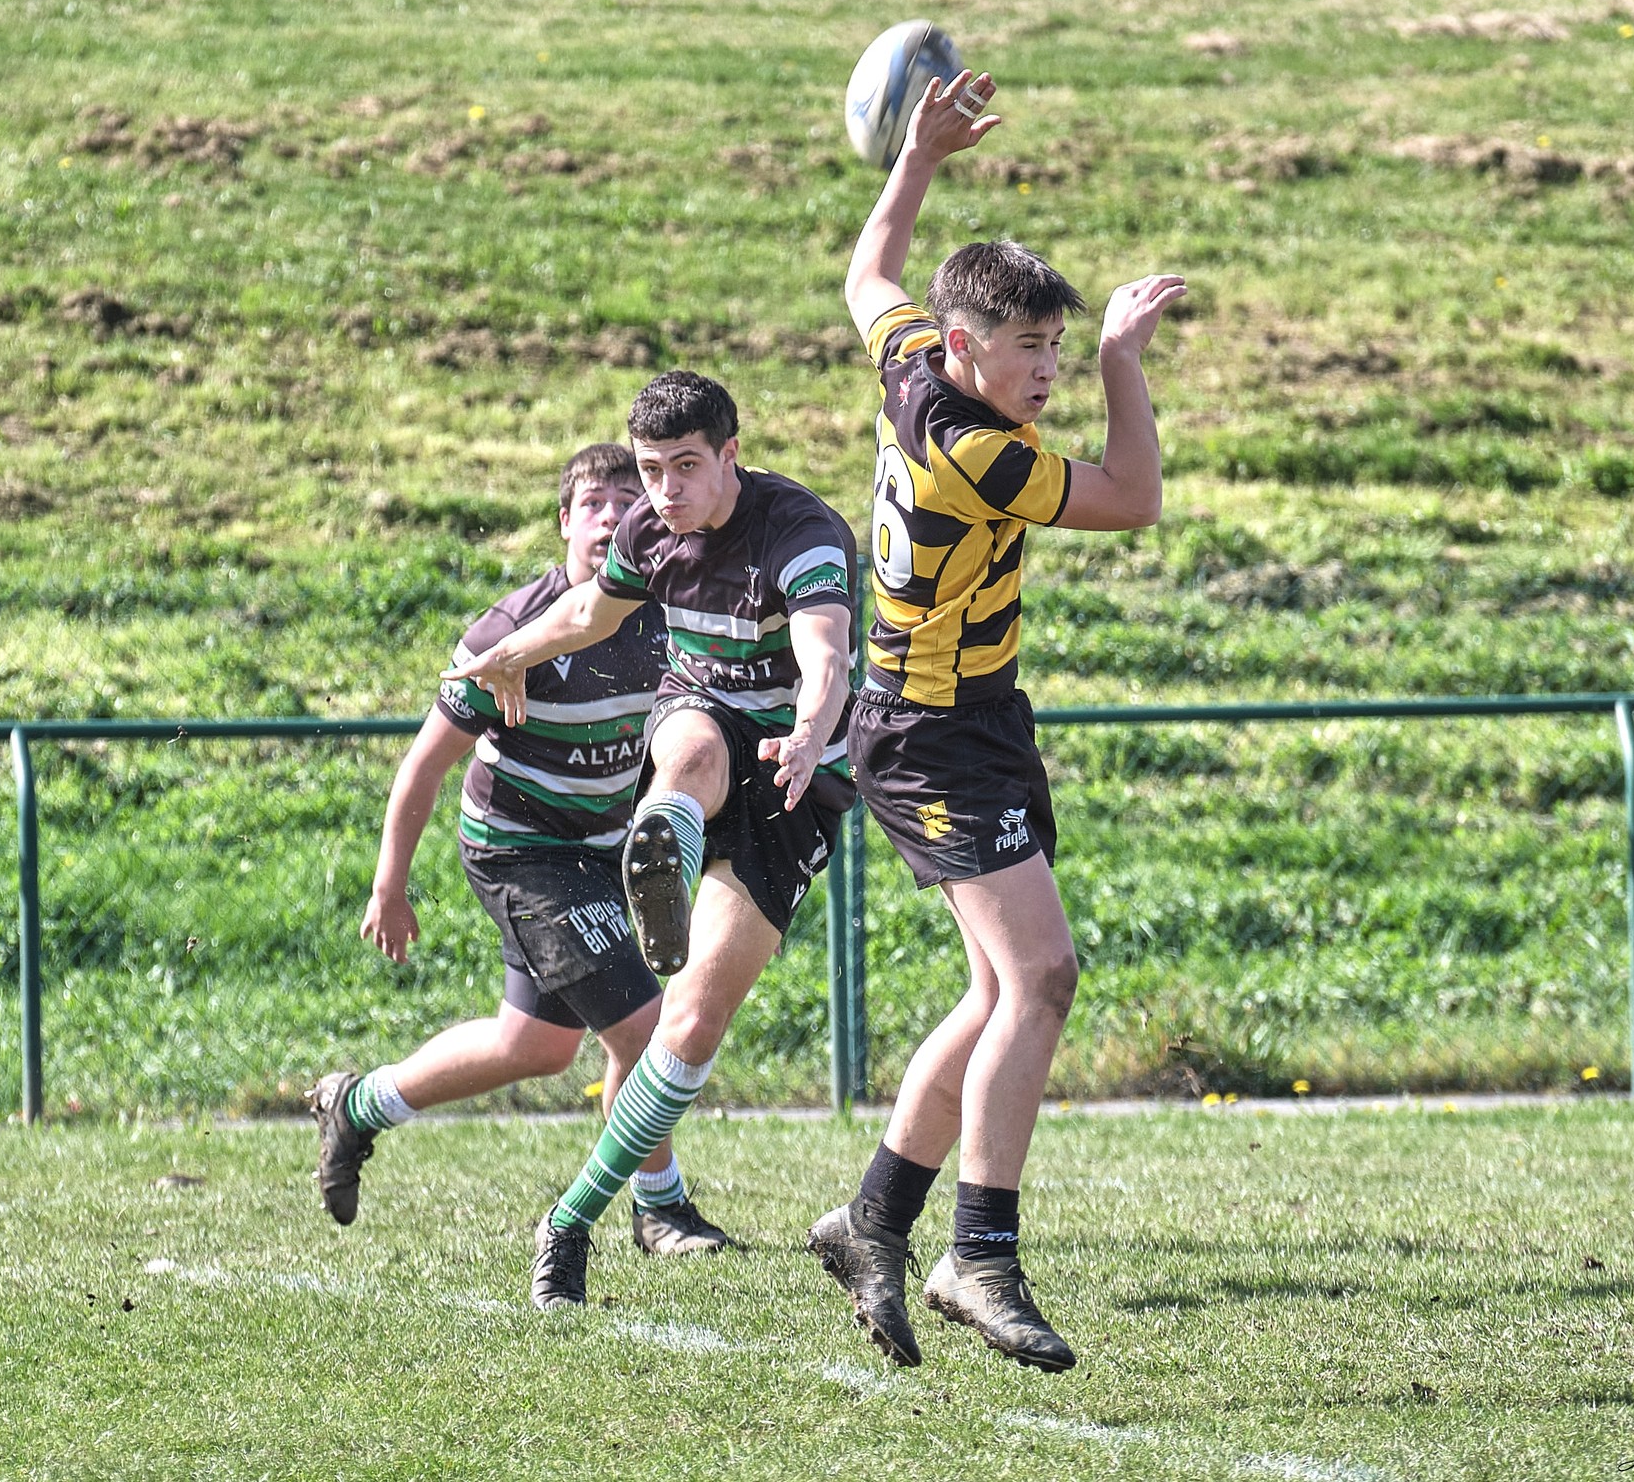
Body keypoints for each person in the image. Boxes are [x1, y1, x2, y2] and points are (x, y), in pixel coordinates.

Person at [807, 69, 1187, 1373]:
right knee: (1041, 977)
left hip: (960, 718)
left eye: (1064, 353)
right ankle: (980, 1254)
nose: (1048, 373)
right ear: (971, 348)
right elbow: (1133, 498)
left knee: (994, 990)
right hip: (930, 732)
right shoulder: (984, 454)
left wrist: (915, 159)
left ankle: (873, 1221)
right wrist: (1130, 366)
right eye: (1031, 352)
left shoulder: (915, 361)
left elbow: (870, 268)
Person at [448, 370, 857, 1309]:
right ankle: (663, 844)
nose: (666, 490)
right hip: (704, 716)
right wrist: (511, 652)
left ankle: (573, 1217)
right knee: (690, 748)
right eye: (649, 470)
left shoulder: (801, 535)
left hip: (797, 770)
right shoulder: (652, 531)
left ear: (730, 457)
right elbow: (588, 613)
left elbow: (826, 652)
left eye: (685, 467)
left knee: (688, 1030)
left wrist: (805, 727)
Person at [307, 442, 730, 1259]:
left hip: (604, 849)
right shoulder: (511, 632)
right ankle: (661, 1209)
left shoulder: (667, 614)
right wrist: (388, 885)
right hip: (521, 851)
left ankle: (359, 1106)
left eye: (625, 501)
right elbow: (426, 764)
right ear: (565, 523)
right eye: (593, 505)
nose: (612, 517)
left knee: (533, 1046)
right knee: (645, 1026)